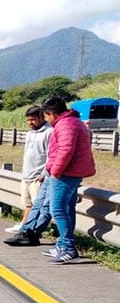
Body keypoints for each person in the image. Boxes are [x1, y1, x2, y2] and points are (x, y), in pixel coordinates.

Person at [40, 96, 96, 264]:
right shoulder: (74, 121)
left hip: (65, 174)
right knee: (67, 209)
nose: (47, 120)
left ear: (52, 113)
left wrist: (55, 171)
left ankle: (68, 248)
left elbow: (65, 150)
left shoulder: (65, 125)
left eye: (46, 116)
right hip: (72, 173)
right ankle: (62, 244)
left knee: (57, 210)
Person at [6, 105, 52, 233]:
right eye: (28, 120)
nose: (29, 123)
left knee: (38, 206)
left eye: (32, 120)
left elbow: (51, 155)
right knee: (27, 203)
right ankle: (24, 225)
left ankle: (31, 230)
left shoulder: (49, 132)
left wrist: (44, 174)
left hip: (38, 176)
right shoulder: (30, 133)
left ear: (41, 118)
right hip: (27, 174)